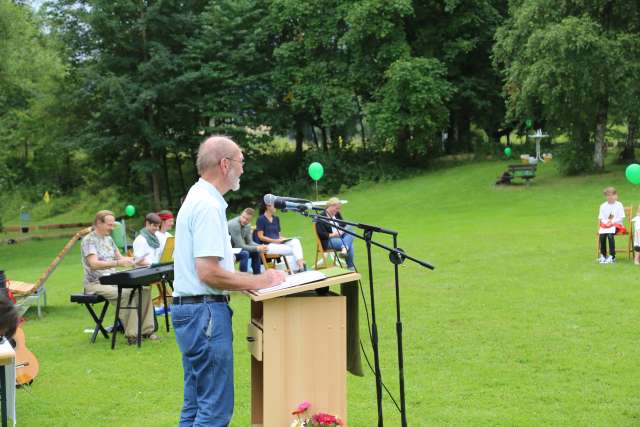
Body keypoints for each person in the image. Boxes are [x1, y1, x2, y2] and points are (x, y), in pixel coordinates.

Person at [172, 135, 285, 426]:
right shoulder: (207, 206)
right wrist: (261, 280)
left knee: (195, 406)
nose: (243, 170)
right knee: (214, 411)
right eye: (240, 162)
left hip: (193, 311)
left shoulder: (198, 198)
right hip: (205, 312)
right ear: (225, 164)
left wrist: (244, 281)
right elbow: (208, 272)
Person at [81, 210, 157, 344]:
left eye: (113, 225)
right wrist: (118, 263)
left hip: (112, 280)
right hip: (95, 283)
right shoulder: (89, 240)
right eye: (109, 225)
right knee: (125, 294)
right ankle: (133, 335)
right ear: (99, 223)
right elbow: (93, 264)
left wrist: (135, 259)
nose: (112, 228)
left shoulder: (109, 239)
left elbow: (120, 258)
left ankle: (147, 331)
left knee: (144, 289)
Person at [256, 202, 306, 272]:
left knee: (295, 241)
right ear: (267, 206)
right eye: (274, 206)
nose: (276, 207)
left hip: (279, 244)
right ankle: (300, 266)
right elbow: (260, 237)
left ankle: (299, 267)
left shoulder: (276, 219)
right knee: (295, 249)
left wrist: (286, 239)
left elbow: (279, 236)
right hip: (268, 246)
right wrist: (275, 241)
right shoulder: (261, 219)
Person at [315, 197, 355, 269]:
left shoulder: (337, 214)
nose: (338, 210)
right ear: (331, 206)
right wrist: (334, 234)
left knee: (351, 230)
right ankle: (350, 267)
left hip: (341, 237)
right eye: (336, 208)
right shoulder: (321, 217)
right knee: (349, 244)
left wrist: (343, 230)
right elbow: (321, 234)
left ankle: (344, 249)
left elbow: (343, 225)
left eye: (339, 208)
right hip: (327, 240)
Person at [228, 208, 267, 274]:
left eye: (247, 219)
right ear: (241, 214)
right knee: (245, 254)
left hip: (235, 250)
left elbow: (250, 242)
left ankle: (257, 276)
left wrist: (261, 246)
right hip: (226, 252)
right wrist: (257, 248)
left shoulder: (248, 226)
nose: (244, 220)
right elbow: (240, 246)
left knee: (256, 252)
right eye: (243, 217)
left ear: (250, 220)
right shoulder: (234, 225)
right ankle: (243, 278)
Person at [597, 187, 625, 264]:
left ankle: (612, 256)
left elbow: (621, 218)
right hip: (606, 225)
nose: (610, 197)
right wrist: (606, 223)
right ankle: (603, 255)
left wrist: (612, 222)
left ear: (616, 196)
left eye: (612, 195)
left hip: (617, 225)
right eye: (608, 195)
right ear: (605, 196)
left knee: (610, 235)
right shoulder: (603, 206)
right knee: (602, 236)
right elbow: (601, 218)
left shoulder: (619, 205)